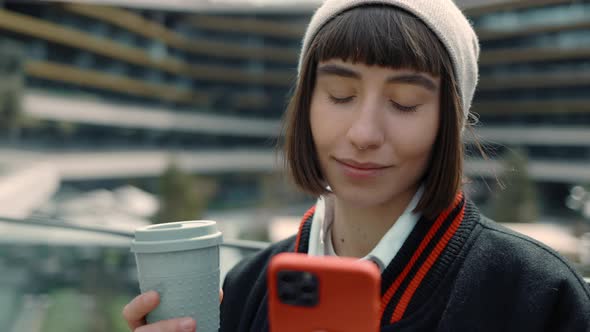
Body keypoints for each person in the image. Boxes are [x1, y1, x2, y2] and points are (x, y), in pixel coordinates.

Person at [122, 0, 590, 331]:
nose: (364, 133)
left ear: (448, 124)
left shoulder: (537, 296)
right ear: (305, 105)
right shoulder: (248, 288)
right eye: (340, 95)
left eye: (404, 103)